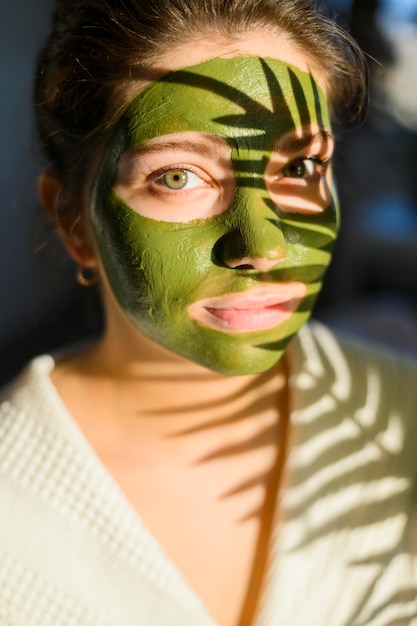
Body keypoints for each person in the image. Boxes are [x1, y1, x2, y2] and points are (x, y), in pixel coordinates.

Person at [1, 1, 417, 625]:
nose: (262, 244)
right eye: (177, 176)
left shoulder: (403, 419)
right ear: (74, 222)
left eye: (301, 166)